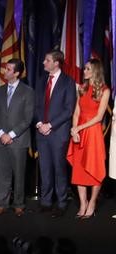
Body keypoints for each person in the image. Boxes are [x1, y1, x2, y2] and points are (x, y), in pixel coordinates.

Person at [34, 49, 77, 218]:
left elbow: (68, 110)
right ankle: (45, 202)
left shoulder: (68, 82)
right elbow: (36, 106)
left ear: (56, 63)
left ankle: (61, 203)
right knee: (44, 169)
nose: (44, 62)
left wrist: (50, 125)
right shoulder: (41, 80)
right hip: (41, 132)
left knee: (59, 169)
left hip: (58, 133)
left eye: (47, 60)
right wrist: (39, 123)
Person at [0, 59, 34, 217]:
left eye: (8, 69)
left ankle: (19, 204)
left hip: (18, 141)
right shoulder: (0, 90)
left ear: (16, 73)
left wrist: (11, 134)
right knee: (2, 173)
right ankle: (2, 204)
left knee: (19, 174)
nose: (5, 71)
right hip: (1, 140)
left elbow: (27, 119)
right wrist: (1, 134)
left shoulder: (28, 91)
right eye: (5, 68)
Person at [66, 59, 109, 219]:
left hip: (93, 133)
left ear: (95, 71)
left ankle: (92, 203)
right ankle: (83, 203)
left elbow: (99, 117)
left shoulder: (105, 90)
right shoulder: (82, 89)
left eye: (87, 68)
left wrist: (79, 128)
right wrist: (73, 129)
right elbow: (76, 112)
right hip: (79, 131)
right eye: (84, 68)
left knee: (95, 167)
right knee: (79, 168)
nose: (84, 71)